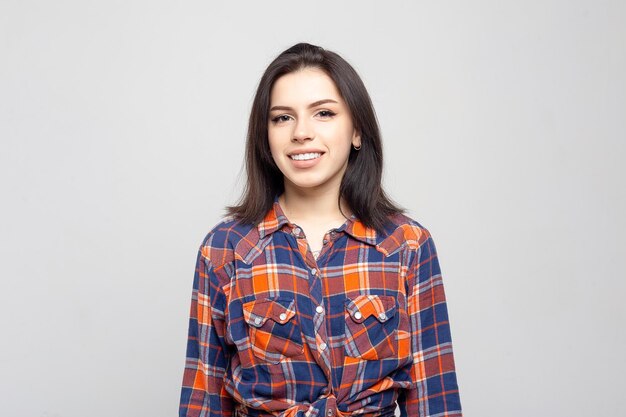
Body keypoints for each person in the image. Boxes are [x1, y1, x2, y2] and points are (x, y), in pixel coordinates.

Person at [179, 42, 462, 417]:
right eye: (282, 118)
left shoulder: (407, 246)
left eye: (323, 113)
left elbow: (434, 400)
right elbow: (203, 402)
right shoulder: (225, 249)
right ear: (266, 136)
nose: (301, 133)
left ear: (357, 131)